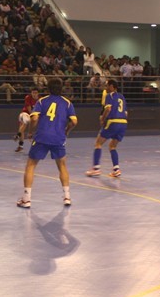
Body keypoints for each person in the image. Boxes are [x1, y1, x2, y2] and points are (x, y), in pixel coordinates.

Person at [16, 78, 77, 209]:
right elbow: (74, 121)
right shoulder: (67, 103)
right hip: (58, 138)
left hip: (42, 137)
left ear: (48, 88)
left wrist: (31, 131)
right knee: (62, 166)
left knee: (31, 166)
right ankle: (67, 197)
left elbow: (35, 118)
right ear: (61, 88)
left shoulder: (42, 101)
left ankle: (26, 199)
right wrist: (66, 130)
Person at [86, 79, 128, 178]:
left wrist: (102, 119)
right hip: (123, 123)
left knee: (98, 143)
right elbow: (126, 113)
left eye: (107, 86)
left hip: (113, 121)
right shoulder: (122, 97)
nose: (106, 88)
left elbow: (108, 109)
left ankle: (96, 169)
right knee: (112, 146)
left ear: (112, 86)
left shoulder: (109, 96)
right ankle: (116, 170)